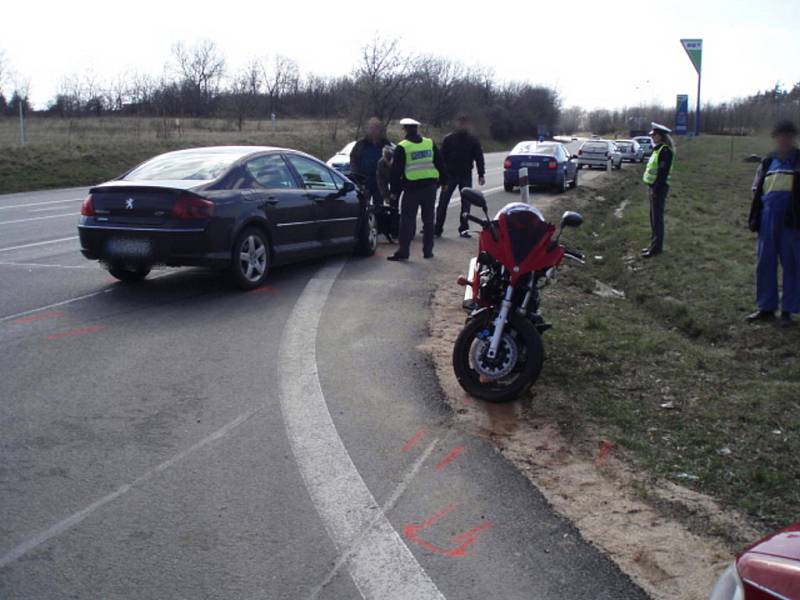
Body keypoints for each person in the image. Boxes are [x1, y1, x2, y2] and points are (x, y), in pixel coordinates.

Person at [746, 119, 800, 326]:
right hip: (768, 218)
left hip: (792, 220)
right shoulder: (768, 162)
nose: (784, 140)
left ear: (793, 138)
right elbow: (756, 188)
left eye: (788, 136)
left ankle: (788, 309)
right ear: (775, 139)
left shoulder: (798, 160)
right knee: (765, 262)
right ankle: (766, 307)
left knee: (792, 264)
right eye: (780, 137)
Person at [387, 118, 446, 261]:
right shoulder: (429, 143)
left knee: (407, 221)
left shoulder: (403, 147)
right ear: (417, 129)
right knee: (429, 220)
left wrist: (394, 192)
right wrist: (444, 181)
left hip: (412, 189)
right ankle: (428, 251)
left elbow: (396, 172)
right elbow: (440, 163)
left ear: (405, 129)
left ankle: (404, 252)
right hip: (430, 188)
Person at [434, 115, 486, 238]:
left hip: (465, 175)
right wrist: (440, 176)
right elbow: (440, 158)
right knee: (443, 202)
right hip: (449, 176)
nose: (462, 125)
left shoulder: (473, 140)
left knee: (466, 204)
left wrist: (481, 174)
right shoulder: (448, 139)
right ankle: (437, 228)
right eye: (460, 123)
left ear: (468, 125)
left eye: (464, 123)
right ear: (456, 124)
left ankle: (464, 229)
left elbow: (479, 157)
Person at [641, 122, 675, 258]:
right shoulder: (658, 150)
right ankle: (653, 245)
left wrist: (655, 189)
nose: (652, 137)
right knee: (653, 218)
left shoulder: (665, 151)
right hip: (653, 187)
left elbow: (662, 173)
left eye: (654, 135)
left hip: (659, 188)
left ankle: (656, 249)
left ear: (660, 136)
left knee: (657, 219)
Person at [350, 117, 391, 207]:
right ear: (368, 129)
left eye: (376, 128)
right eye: (371, 128)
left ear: (380, 130)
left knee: (379, 207)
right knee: (363, 206)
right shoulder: (361, 144)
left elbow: (391, 161)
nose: (373, 130)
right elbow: (353, 158)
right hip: (364, 181)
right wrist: (357, 174)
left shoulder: (385, 144)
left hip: (379, 182)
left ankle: (378, 221)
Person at [376, 145, 395, 209]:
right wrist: (386, 196)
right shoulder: (381, 163)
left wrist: (395, 192)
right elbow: (381, 181)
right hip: (388, 178)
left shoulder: (398, 160)